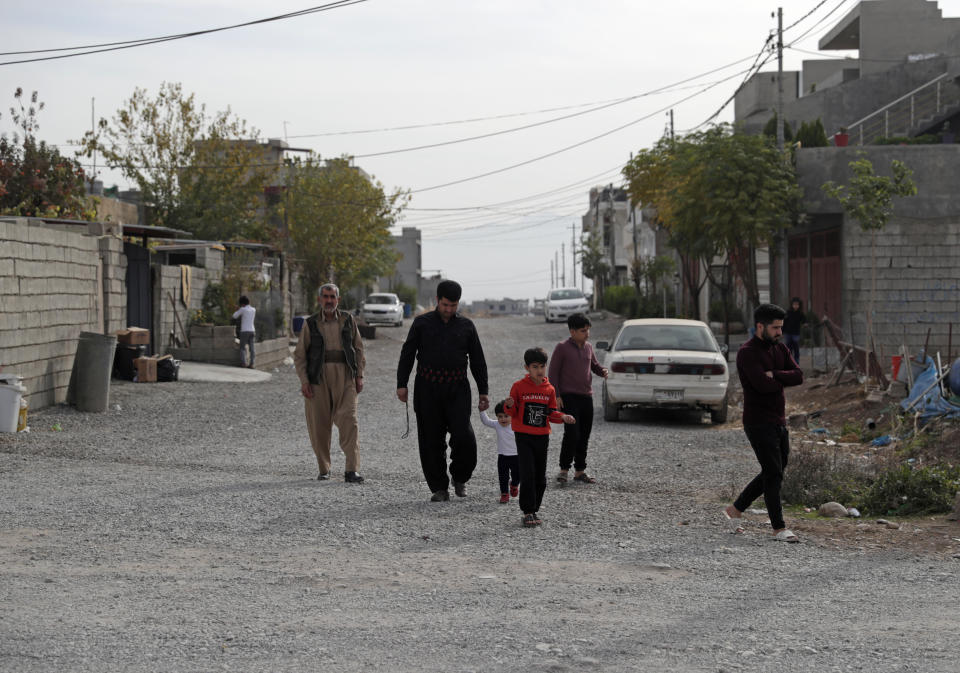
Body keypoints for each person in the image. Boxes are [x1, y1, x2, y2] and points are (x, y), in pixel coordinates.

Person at [396, 280, 489, 502]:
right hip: (427, 389)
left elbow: (477, 360)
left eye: (453, 305)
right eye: (445, 304)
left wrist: (483, 390)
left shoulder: (466, 326)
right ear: (437, 301)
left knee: (464, 436)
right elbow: (407, 353)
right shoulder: (421, 323)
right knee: (431, 439)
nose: (449, 309)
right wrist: (402, 383)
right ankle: (439, 487)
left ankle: (460, 476)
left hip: (457, 389)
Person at [724, 303, 804, 543]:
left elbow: (798, 375)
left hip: (779, 419)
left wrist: (776, 374)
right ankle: (779, 528)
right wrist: (778, 378)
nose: (780, 332)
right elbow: (762, 385)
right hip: (757, 422)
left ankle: (736, 509)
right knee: (773, 472)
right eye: (775, 328)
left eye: (781, 327)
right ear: (760, 326)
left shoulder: (779, 349)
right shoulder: (747, 352)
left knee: (775, 471)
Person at [293, 283, 366, 484]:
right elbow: (300, 356)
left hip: (345, 375)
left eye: (332, 297)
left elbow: (358, 349)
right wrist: (305, 380)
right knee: (319, 424)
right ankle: (324, 468)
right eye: (325, 297)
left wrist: (359, 375)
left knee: (349, 420)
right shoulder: (311, 323)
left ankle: (352, 470)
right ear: (319, 299)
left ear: (338, 300)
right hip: (319, 377)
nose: (329, 300)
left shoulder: (348, 320)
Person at [504, 347, 575, 527]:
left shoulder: (549, 389)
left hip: (542, 437)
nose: (539, 370)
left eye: (542, 366)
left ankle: (535, 508)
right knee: (528, 473)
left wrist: (563, 417)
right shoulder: (518, 387)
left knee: (540, 477)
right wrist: (509, 405)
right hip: (523, 436)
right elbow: (511, 412)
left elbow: (551, 413)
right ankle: (527, 511)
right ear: (527, 367)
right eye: (535, 367)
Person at [548, 312, 608, 484]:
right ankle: (564, 470)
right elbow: (553, 373)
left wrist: (602, 371)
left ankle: (580, 471)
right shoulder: (562, 348)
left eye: (588, 330)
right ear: (572, 332)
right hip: (569, 396)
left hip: (586, 397)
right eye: (583, 330)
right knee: (572, 433)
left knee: (584, 434)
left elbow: (594, 365)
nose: (587, 333)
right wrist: (557, 395)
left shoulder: (589, 347)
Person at [479, 401, 519, 504]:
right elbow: (486, 421)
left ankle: (514, 485)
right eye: (500, 416)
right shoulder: (497, 425)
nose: (503, 419)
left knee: (518, 475)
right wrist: (482, 411)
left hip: (517, 456)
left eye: (506, 416)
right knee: (503, 477)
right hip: (502, 456)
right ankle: (504, 494)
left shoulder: (517, 424)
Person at [232, 296, 256, 369]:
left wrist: (238, 310)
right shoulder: (253, 309)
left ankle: (244, 363)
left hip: (244, 331)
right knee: (252, 348)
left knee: (242, 348)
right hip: (252, 330)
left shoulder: (242, 309)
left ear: (242, 303)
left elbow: (234, 316)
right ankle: (252, 364)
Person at [783, 297, 806, 365]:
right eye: (794, 304)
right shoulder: (788, 312)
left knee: (796, 347)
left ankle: (796, 362)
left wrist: (805, 323)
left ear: (799, 305)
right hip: (788, 333)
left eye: (797, 305)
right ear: (792, 305)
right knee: (788, 347)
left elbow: (804, 320)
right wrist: (782, 331)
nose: (795, 306)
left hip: (796, 333)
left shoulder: (800, 313)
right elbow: (784, 322)